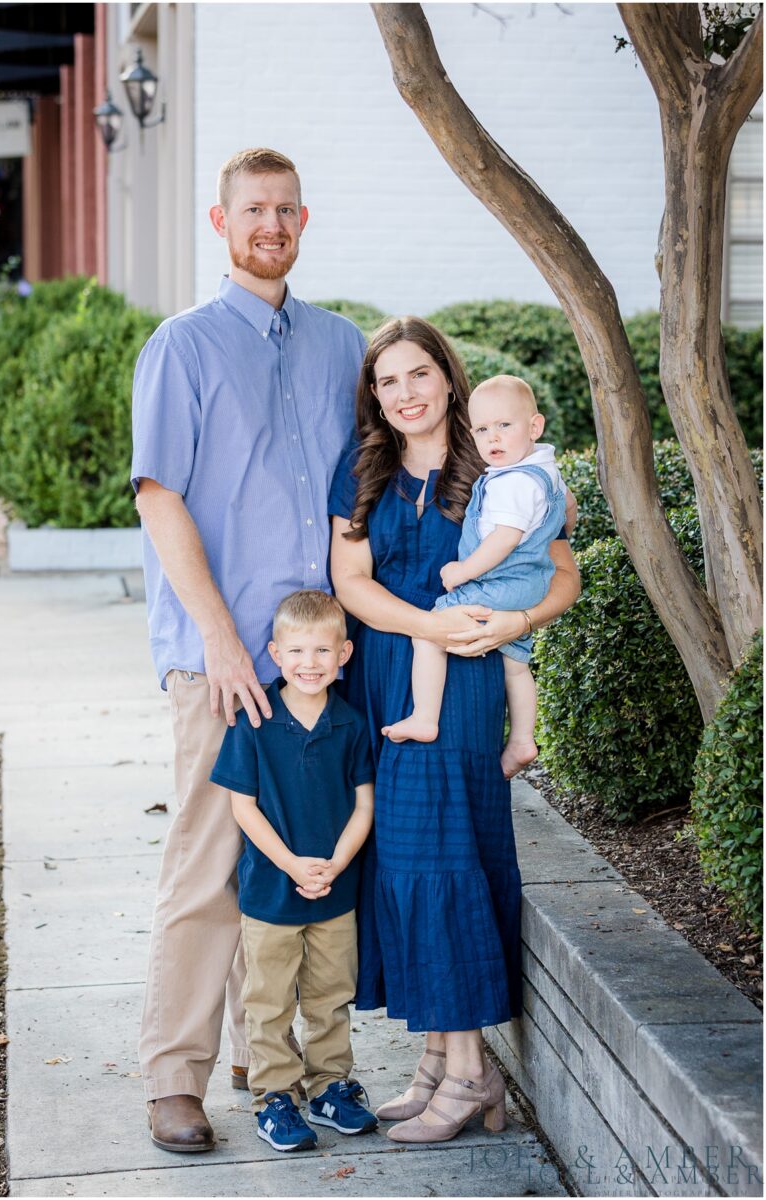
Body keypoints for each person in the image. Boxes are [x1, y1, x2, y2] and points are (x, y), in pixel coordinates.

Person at [131, 147, 366, 1153]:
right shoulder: (180, 348)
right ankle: (173, 1079)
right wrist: (224, 643)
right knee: (205, 867)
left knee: (283, 875)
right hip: (218, 658)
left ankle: (255, 1053)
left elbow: (347, 497)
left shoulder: (340, 344)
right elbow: (158, 496)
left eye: (284, 209)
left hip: (313, 661)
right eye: (251, 209)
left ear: (303, 222)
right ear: (220, 224)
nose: (269, 223)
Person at [329, 317, 580, 1144]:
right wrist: (423, 627)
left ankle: (471, 1074)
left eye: (418, 375)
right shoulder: (364, 467)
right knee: (403, 858)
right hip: (386, 677)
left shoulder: (495, 461)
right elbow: (351, 582)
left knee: (440, 857)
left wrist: (515, 625)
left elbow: (562, 572)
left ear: (448, 377)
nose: (404, 394)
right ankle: (439, 1059)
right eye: (387, 381)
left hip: (463, 681)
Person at [210, 590, 377, 1152]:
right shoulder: (253, 720)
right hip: (271, 892)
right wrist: (291, 864)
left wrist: (336, 863)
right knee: (270, 1000)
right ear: (275, 653)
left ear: (345, 653)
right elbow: (243, 807)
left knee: (330, 995)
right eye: (298, 651)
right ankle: (276, 1097)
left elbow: (364, 805)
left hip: (335, 889)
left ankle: (331, 1086)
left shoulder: (351, 723)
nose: (311, 663)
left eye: (324, 651)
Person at [382, 374, 576, 780]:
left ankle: (424, 715)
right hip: (527, 583)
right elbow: (563, 516)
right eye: (483, 429)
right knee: (516, 663)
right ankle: (523, 739)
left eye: (505, 425)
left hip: (500, 581)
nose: (493, 437)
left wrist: (461, 571)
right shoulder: (543, 471)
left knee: (429, 631)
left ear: (534, 426)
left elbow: (503, 540)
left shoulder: (514, 482)